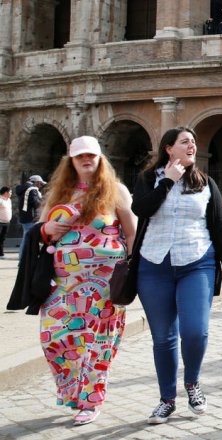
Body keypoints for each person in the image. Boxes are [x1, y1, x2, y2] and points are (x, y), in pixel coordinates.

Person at [132, 127, 222, 424]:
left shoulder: (206, 183)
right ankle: (167, 399)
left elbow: (218, 226)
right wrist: (168, 181)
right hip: (154, 265)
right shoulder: (146, 180)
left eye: (193, 141)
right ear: (168, 148)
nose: (192, 145)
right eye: (185, 141)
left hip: (196, 262)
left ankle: (192, 383)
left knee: (195, 331)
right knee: (163, 338)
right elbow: (142, 210)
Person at [32, 136, 136, 426]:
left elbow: (131, 232)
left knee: (97, 344)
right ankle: (73, 391)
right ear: (71, 161)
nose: (86, 159)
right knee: (55, 338)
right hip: (63, 285)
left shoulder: (116, 191)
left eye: (91, 155)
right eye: (80, 156)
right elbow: (44, 230)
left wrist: (132, 269)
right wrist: (46, 229)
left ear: (101, 159)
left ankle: (91, 401)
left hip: (104, 286)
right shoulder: (59, 193)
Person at [16, 174, 45, 258]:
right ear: (36, 182)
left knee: (26, 238)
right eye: (40, 183)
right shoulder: (32, 189)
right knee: (27, 239)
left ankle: (23, 258)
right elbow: (36, 203)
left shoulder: (24, 189)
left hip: (25, 217)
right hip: (31, 218)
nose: (40, 186)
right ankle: (22, 259)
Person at [0, 186, 10, 257]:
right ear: (6, 192)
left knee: (2, 239)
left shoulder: (9, 200)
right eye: (10, 192)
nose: (11, 193)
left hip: (7, 222)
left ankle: (1, 253)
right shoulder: (0, 200)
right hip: (0, 222)